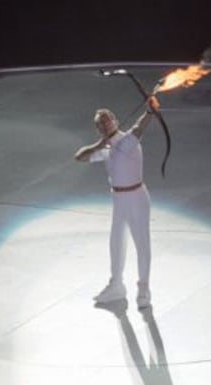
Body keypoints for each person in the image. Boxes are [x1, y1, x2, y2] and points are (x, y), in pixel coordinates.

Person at [74, 97, 159, 308]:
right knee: (116, 242)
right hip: (119, 200)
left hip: (136, 197)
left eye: (107, 120)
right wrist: (98, 145)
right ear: (98, 129)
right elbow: (80, 157)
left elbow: (139, 129)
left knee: (141, 243)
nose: (104, 125)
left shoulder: (127, 140)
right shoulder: (105, 147)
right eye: (100, 123)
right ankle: (116, 286)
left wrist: (149, 112)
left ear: (115, 120)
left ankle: (143, 289)